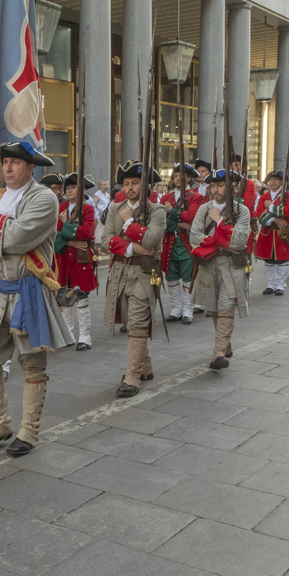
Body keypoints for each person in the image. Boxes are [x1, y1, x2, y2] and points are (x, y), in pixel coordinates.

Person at [0, 140, 72, 456]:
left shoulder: (45, 198)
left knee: (33, 365)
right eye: (6, 162)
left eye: (16, 163)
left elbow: (16, 238)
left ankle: (29, 431)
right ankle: (0, 424)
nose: (8, 168)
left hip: (30, 291)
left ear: (31, 167)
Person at [101, 160, 166, 398]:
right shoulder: (114, 209)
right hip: (120, 271)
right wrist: (131, 248)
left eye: (135, 183)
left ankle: (132, 376)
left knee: (138, 323)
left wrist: (129, 222)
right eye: (126, 183)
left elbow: (150, 240)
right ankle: (145, 367)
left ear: (144, 185)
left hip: (144, 273)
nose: (129, 188)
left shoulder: (157, 210)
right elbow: (105, 241)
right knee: (129, 322)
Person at [190, 170, 252, 371]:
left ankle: (217, 354)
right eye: (213, 186)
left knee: (226, 306)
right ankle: (225, 345)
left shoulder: (242, 211)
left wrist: (220, 222)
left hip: (232, 266)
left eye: (220, 185)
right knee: (215, 308)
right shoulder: (203, 209)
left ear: (231, 187)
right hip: (209, 265)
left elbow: (240, 240)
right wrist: (222, 240)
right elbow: (195, 238)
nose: (215, 190)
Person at [56, 173, 99, 350]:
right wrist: (71, 240)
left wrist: (66, 224)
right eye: (67, 188)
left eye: (73, 187)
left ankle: (85, 336)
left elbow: (86, 233)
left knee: (81, 298)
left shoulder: (88, 209)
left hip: (81, 259)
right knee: (65, 298)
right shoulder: (61, 207)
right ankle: (67, 334)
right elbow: (55, 235)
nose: (69, 190)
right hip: (64, 257)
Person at [160, 163, 203, 324]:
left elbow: (192, 217)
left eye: (181, 176)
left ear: (189, 178)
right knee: (171, 278)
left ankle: (187, 311)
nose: (177, 179)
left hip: (187, 243)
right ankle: (176, 309)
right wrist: (179, 223)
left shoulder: (195, 197)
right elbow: (162, 221)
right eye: (175, 176)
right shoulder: (165, 198)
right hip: (169, 242)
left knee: (187, 278)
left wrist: (172, 211)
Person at [253, 170, 289, 296]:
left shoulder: (288, 196)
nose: (273, 181)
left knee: (282, 261)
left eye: (276, 179)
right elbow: (259, 213)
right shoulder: (264, 197)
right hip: (267, 232)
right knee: (269, 261)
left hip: (281, 233)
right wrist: (275, 218)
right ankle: (270, 284)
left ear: (282, 181)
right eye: (271, 179)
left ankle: (280, 285)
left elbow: (288, 211)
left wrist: (271, 207)